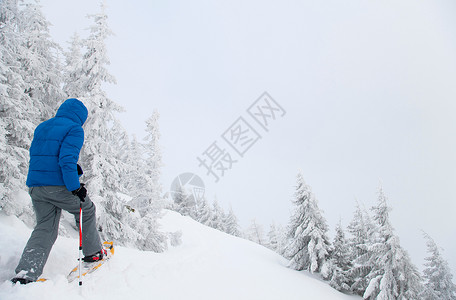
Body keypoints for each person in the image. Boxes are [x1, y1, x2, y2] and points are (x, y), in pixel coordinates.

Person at [12, 98, 106, 284]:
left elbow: (44, 156)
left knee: (45, 228)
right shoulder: (74, 129)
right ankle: (93, 253)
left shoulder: (43, 127)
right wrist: (75, 187)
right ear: (81, 117)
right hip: (57, 186)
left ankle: (26, 273)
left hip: (36, 187)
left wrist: (73, 173)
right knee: (86, 210)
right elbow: (66, 159)